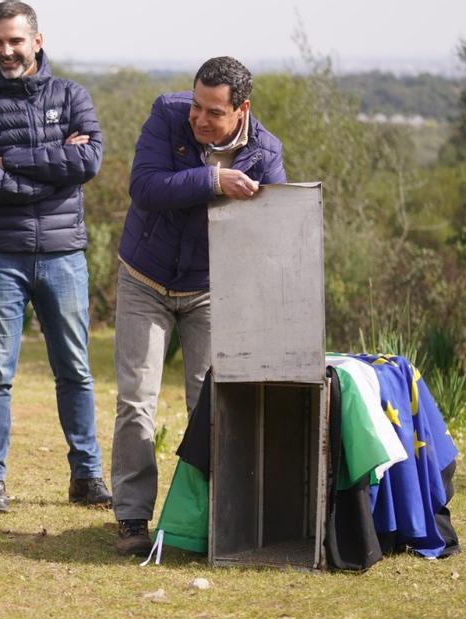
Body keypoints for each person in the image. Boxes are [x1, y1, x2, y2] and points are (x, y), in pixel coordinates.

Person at [111, 56, 286, 554]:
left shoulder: (266, 154)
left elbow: (268, 236)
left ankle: (208, 522)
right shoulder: (167, 116)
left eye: (213, 112)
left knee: (209, 406)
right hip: (145, 279)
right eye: (196, 106)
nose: (200, 119)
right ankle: (131, 519)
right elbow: (144, 187)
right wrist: (213, 182)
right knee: (136, 400)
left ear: (241, 110)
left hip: (212, 290)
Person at [0, 1, 110, 514]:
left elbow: (88, 160)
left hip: (64, 255)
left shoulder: (72, 95)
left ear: (37, 41)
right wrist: (51, 180)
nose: (6, 51)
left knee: (76, 370)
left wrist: (15, 160)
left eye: (15, 41)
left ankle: (87, 477)